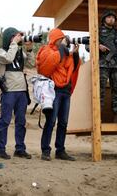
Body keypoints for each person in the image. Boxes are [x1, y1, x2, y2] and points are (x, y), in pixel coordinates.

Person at [36, 28, 81, 161]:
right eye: (61, 39)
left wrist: (76, 54)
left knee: (63, 122)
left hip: (66, 91)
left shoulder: (67, 54)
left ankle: (60, 150)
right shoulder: (47, 50)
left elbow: (73, 68)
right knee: (51, 121)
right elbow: (47, 66)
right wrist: (62, 49)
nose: (64, 41)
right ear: (55, 39)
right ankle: (45, 150)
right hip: (53, 90)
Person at [0, 27, 35, 160]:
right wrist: (14, 44)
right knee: (5, 120)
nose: (18, 38)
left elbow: (32, 63)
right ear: (8, 38)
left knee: (21, 121)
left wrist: (29, 49)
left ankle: (20, 149)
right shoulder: (1, 52)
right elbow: (9, 59)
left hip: (21, 91)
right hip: (9, 90)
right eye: (15, 36)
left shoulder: (18, 50)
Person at [98, 9, 117, 123]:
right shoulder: (98, 31)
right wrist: (98, 46)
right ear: (104, 19)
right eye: (109, 17)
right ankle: (98, 115)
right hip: (103, 65)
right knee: (100, 90)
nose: (111, 19)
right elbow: (88, 46)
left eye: (113, 17)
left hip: (116, 66)